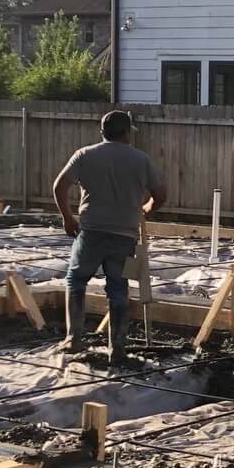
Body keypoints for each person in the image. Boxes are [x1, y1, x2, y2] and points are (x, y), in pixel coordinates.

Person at [52, 110, 167, 364]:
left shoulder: (85, 155)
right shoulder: (141, 160)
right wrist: (146, 209)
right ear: (127, 132)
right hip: (124, 235)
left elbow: (59, 186)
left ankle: (73, 338)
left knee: (76, 280)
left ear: (102, 132)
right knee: (118, 289)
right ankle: (117, 348)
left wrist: (68, 218)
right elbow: (160, 195)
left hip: (91, 232)